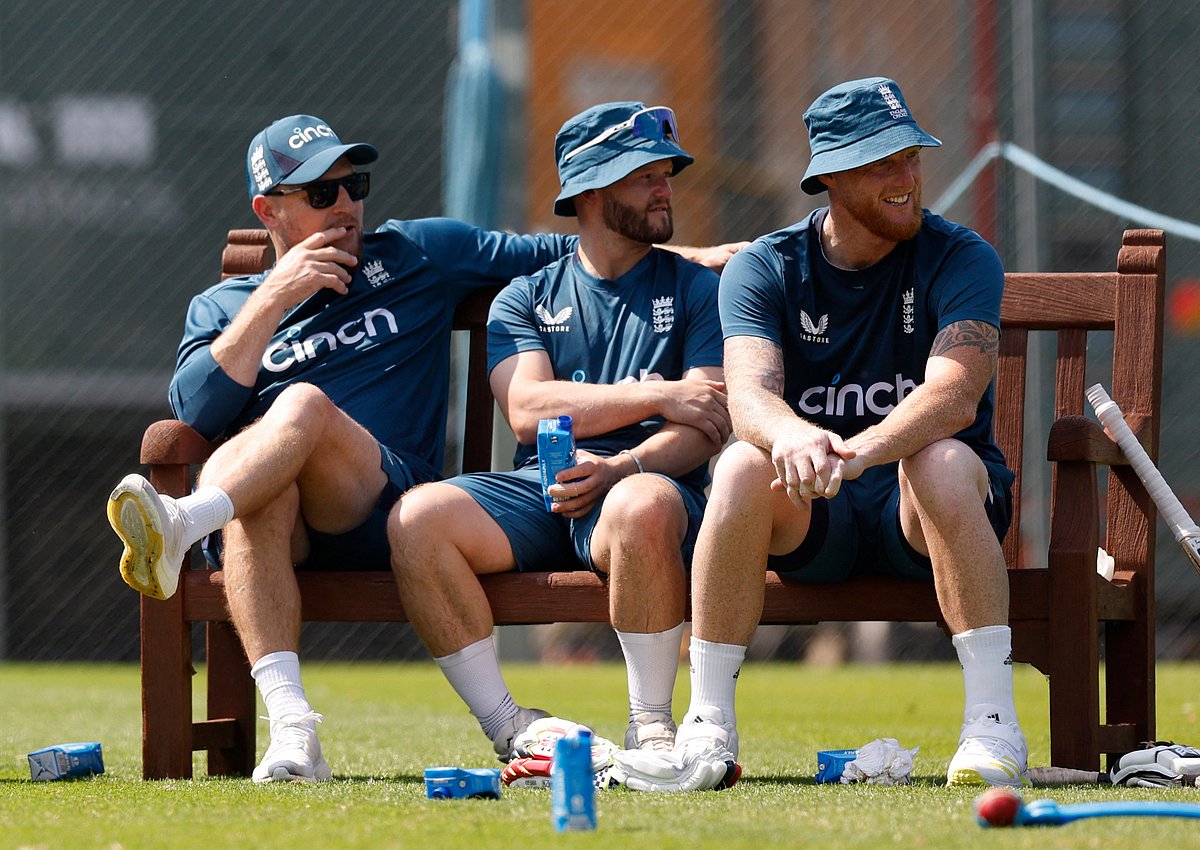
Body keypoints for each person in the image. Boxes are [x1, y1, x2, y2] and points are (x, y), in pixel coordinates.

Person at [105, 113, 738, 784]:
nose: (346, 205)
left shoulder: (414, 253)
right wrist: (276, 292)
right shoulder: (224, 304)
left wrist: (700, 260)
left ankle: (181, 523)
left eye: (355, 185)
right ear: (269, 210)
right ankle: (294, 733)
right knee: (261, 499)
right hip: (276, 520)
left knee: (301, 404)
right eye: (322, 194)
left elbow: (573, 250)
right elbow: (195, 410)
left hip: (384, 505)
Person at [612, 77, 1027, 792]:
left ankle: (993, 728)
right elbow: (748, 400)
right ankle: (708, 726)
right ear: (829, 177)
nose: (906, 178)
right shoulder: (766, 267)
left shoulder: (962, 255)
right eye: (881, 163)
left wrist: (860, 450)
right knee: (744, 464)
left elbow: (954, 395)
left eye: (910, 157)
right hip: (816, 510)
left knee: (943, 459)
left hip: (919, 512)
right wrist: (795, 438)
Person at [387, 101, 732, 766]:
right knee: (416, 518)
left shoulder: (695, 287)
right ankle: (510, 725)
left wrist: (620, 467)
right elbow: (528, 410)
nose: (665, 188)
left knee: (647, 503)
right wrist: (657, 392)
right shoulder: (525, 295)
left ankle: (651, 727)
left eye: (666, 174)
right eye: (645, 177)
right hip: (542, 493)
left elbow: (707, 423)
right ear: (592, 192)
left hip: (643, 488)